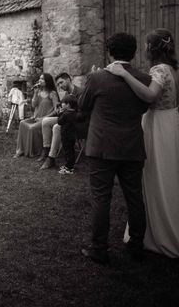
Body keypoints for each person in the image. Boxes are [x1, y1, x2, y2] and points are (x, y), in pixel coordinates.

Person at [105, 28, 179, 258]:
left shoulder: (159, 70)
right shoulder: (175, 69)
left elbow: (149, 96)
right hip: (172, 121)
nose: (144, 49)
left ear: (153, 48)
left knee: (156, 176)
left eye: (147, 45)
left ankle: (162, 233)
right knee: (171, 175)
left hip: (158, 125)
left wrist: (124, 75)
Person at [79, 32, 151, 264]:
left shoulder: (97, 78)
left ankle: (99, 248)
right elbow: (143, 108)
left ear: (110, 52)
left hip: (102, 146)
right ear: (134, 52)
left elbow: (83, 105)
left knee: (101, 198)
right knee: (134, 197)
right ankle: (137, 245)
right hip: (131, 145)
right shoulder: (143, 78)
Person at [39, 72, 84, 169]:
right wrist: (59, 108)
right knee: (46, 121)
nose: (59, 86)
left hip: (77, 124)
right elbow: (62, 107)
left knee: (57, 126)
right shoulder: (67, 93)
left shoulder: (80, 93)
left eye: (61, 82)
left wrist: (67, 112)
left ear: (68, 80)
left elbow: (81, 114)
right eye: (58, 84)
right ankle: (46, 149)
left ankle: (51, 158)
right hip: (66, 119)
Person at [14, 73, 59, 158]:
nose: (40, 80)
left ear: (47, 81)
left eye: (42, 79)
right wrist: (35, 93)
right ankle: (21, 150)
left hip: (45, 119)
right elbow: (34, 105)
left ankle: (34, 151)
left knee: (32, 128)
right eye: (39, 79)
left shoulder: (52, 93)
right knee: (22, 123)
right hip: (36, 118)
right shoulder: (38, 92)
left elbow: (56, 110)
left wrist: (44, 118)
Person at [56, 94, 79, 175]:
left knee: (67, 152)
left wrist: (60, 113)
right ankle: (69, 166)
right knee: (71, 151)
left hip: (66, 136)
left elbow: (59, 122)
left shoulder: (66, 114)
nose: (62, 104)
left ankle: (69, 168)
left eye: (63, 103)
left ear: (68, 104)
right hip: (72, 136)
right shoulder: (75, 113)